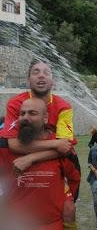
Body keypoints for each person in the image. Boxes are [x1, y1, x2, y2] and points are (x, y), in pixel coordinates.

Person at [0, 60, 79, 229]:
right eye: (35, 72)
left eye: (46, 72)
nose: (41, 75)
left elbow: (65, 147)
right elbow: (13, 144)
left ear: (53, 80)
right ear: (28, 79)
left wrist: (31, 158)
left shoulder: (63, 107)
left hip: (55, 164)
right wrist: (54, 144)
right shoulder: (16, 103)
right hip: (20, 162)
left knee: (68, 208)